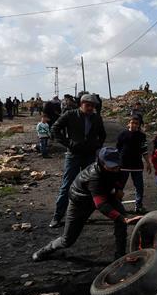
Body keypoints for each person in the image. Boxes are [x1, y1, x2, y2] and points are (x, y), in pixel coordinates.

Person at [32, 148, 141, 261]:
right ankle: (44, 251)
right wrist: (124, 219)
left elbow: (118, 179)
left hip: (104, 194)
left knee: (120, 219)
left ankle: (120, 255)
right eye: (111, 166)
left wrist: (118, 188)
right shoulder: (94, 177)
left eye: (117, 165)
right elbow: (101, 205)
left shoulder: (117, 167)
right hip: (81, 202)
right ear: (101, 162)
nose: (116, 168)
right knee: (67, 240)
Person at [49, 94, 106, 228]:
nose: (90, 108)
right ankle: (57, 217)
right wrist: (69, 143)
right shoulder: (70, 115)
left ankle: (82, 216)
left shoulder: (97, 118)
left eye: (93, 106)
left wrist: (96, 145)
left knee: (88, 186)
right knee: (67, 185)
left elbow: (102, 134)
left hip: (90, 156)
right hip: (73, 155)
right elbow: (55, 129)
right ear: (81, 104)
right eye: (88, 105)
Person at [116, 115, 151, 214]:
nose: (134, 125)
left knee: (139, 187)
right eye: (132, 123)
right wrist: (116, 163)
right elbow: (118, 149)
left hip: (137, 166)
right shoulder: (122, 134)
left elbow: (144, 150)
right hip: (123, 165)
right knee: (120, 186)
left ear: (139, 125)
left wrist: (148, 163)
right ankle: (117, 205)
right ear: (128, 123)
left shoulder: (142, 136)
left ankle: (138, 206)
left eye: (136, 123)